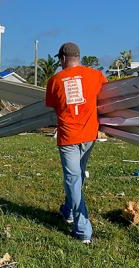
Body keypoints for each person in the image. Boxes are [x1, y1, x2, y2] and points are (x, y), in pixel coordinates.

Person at [45, 42, 108, 243]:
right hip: (90, 136)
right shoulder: (96, 75)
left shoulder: (54, 80)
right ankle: (68, 211)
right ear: (79, 57)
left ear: (62, 58)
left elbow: (54, 106)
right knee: (77, 175)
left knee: (73, 179)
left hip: (68, 138)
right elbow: (105, 95)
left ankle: (83, 230)